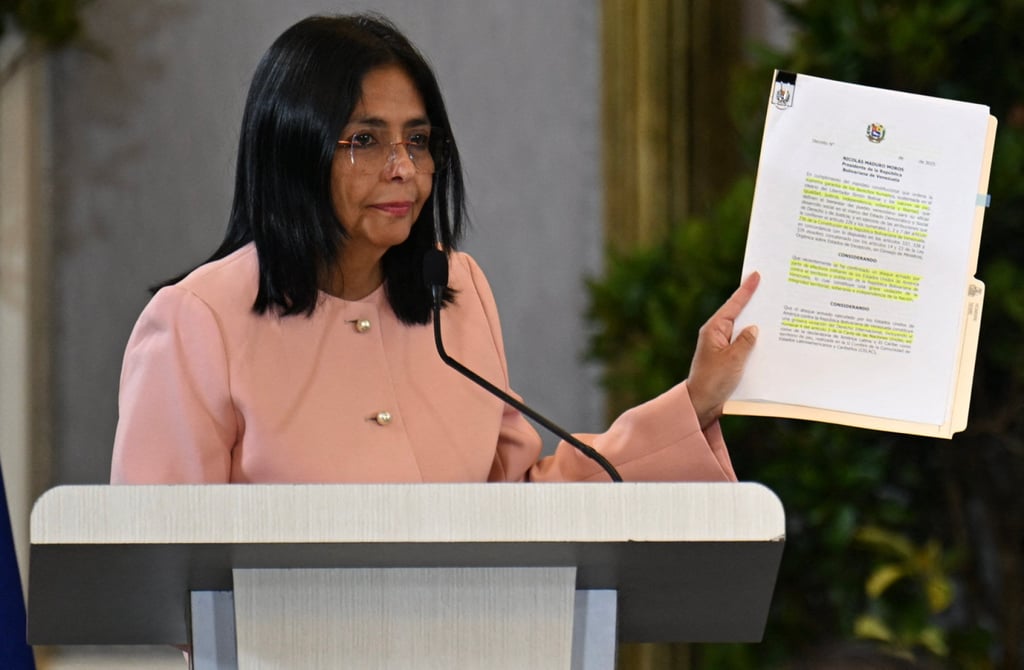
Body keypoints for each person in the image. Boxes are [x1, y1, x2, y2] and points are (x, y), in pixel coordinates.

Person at [109, 13, 760, 485]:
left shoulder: (457, 291)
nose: (403, 169)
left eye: (417, 141)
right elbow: (159, 562)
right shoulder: (199, 322)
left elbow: (522, 503)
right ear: (292, 149)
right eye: (365, 141)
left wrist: (696, 399)